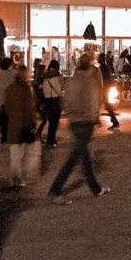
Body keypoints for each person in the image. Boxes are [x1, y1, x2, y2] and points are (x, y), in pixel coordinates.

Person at [47, 53, 110, 205]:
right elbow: (91, 103)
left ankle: (96, 188)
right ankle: (55, 191)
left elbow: (65, 102)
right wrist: (95, 118)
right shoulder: (88, 82)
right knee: (74, 158)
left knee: (86, 157)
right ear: (89, 67)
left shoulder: (71, 81)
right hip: (85, 122)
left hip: (75, 122)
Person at [4, 65, 40, 188]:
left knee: (15, 155)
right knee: (29, 151)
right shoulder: (27, 89)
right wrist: (33, 125)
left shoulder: (9, 89)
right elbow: (30, 110)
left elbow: (7, 108)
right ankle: (25, 176)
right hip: (24, 125)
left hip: (13, 125)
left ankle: (15, 179)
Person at [40, 60, 64, 147]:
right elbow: (63, 87)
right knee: (55, 121)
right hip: (56, 100)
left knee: (51, 121)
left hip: (48, 101)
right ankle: (51, 140)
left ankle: (50, 140)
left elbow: (43, 90)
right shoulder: (59, 77)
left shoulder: (45, 78)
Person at [0, 57, 15, 144]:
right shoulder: (12, 74)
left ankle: (4, 137)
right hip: (11, 99)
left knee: (3, 119)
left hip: (2, 98)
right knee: (11, 119)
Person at [98, 53, 120, 130]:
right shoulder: (104, 67)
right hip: (106, 87)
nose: (98, 59)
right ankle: (114, 121)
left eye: (99, 58)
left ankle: (114, 121)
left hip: (105, 88)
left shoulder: (103, 67)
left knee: (107, 105)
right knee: (107, 105)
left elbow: (103, 79)